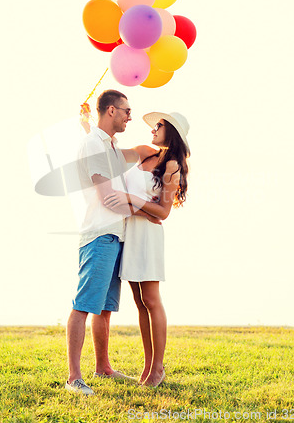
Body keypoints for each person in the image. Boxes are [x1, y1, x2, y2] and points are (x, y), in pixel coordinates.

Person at [66, 90, 160, 395]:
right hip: (99, 235)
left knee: (104, 308)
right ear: (110, 111)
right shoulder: (94, 144)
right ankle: (73, 379)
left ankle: (103, 367)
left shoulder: (107, 143)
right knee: (84, 306)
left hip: (114, 236)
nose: (130, 116)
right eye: (126, 110)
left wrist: (84, 119)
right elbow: (107, 196)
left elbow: (93, 131)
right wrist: (148, 210)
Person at [104, 111, 190, 387]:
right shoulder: (144, 152)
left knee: (151, 300)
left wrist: (129, 201)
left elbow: (162, 212)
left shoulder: (173, 165)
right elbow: (110, 154)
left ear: (172, 132)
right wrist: (88, 127)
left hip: (149, 237)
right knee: (140, 302)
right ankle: (148, 366)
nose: (154, 128)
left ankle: (158, 368)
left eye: (160, 125)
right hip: (130, 233)